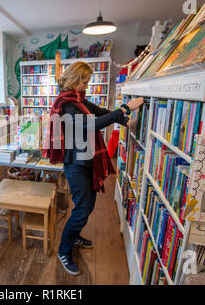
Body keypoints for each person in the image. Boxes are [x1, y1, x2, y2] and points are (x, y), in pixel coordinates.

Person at [44, 61, 144, 275]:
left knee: (88, 208)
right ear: (74, 79)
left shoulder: (81, 102)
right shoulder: (68, 104)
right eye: (84, 81)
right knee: (81, 210)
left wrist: (124, 120)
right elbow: (91, 125)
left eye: (88, 82)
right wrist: (125, 109)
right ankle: (64, 250)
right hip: (76, 164)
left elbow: (101, 113)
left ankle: (75, 234)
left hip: (88, 160)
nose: (87, 86)